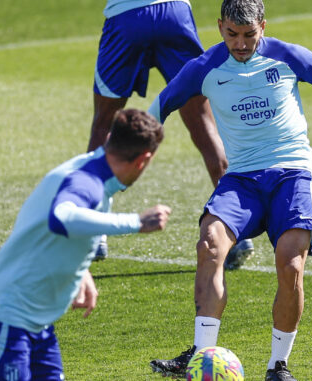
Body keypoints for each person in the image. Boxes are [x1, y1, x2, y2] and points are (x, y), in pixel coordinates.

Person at [147, 0, 312, 379]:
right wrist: (140, 149)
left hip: (293, 172)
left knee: (291, 262)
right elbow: (161, 105)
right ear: (220, 26)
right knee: (210, 244)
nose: (240, 44)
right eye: (231, 34)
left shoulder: (285, 56)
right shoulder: (205, 66)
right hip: (241, 177)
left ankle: (278, 366)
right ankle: (201, 355)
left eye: (249, 35)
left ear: (263, 25)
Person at [0, 109, 171, 380]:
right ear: (144, 160)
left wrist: (81, 270)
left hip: (36, 324)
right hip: (3, 320)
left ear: (110, 137)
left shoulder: (91, 171)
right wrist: (135, 222)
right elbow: (61, 217)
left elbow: (42, 226)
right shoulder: (88, 182)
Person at [89, 0, 254, 267]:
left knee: (104, 124)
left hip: (126, 17)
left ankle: (94, 234)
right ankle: (241, 230)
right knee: (202, 120)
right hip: (174, 14)